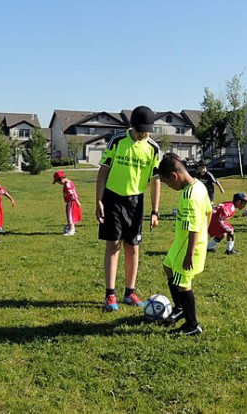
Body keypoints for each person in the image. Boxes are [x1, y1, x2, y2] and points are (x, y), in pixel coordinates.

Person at [96, 105, 161, 312]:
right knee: (113, 245)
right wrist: (99, 200)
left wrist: (155, 211)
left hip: (136, 202)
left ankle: (130, 293)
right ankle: (110, 294)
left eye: (147, 130)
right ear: (132, 125)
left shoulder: (153, 148)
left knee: (133, 247)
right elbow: (103, 171)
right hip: (113, 198)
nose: (143, 134)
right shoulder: (117, 141)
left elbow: (155, 180)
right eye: (140, 130)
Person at [158, 153, 211, 336]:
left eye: (167, 183)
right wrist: (206, 233)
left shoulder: (189, 196)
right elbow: (209, 211)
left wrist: (189, 254)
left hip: (188, 246)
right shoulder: (199, 185)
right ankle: (180, 307)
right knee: (168, 267)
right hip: (182, 242)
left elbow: (194, 227)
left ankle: (192, 325)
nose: (169, 186)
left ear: (174, 176)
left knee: (183, 283)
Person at [53, 170, 82, 236]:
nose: (59, 183)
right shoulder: (70, 182)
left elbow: (72, 193)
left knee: (70, 215)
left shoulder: (67, 185)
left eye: (58, 182)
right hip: (71, 201)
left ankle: (71, 230)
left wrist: (77, 201)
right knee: (70, 215)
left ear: (61, 179)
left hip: (71, 202)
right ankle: (69, 227)